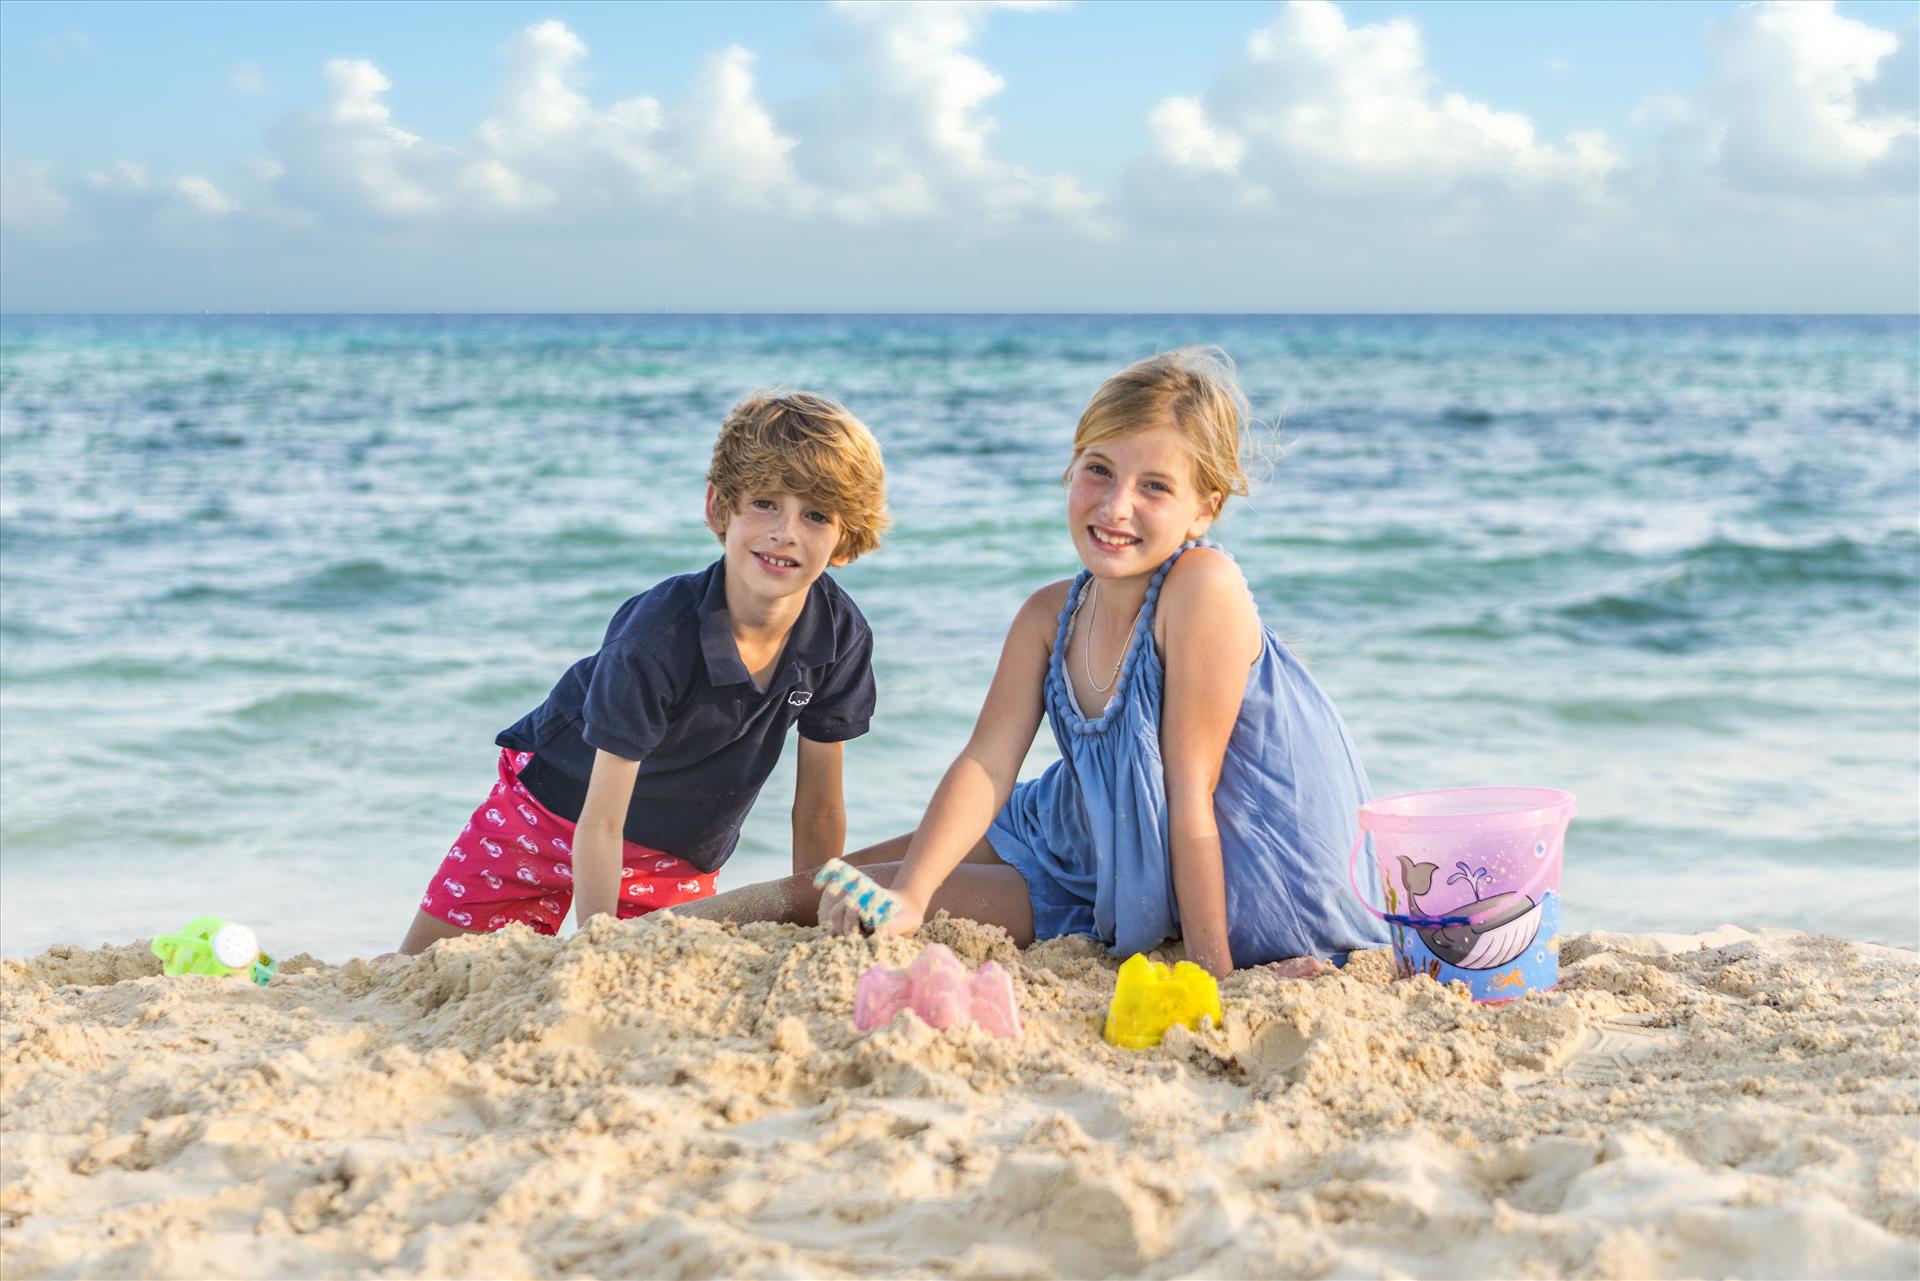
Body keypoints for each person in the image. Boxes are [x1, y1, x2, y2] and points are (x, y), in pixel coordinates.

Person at [679, 349, 1386, 976]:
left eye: (1155, 487)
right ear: (1070, 470)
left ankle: (658, 929)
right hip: (1083, 832)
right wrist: (914, 895)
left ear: (1205, 509)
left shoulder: (1202, 587)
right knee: (837, 881)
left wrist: (1211, 975)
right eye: (1099, 470)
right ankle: (649, 932)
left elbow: (1189, 792)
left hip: (1237, 869)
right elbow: (987, 763)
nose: (1116, 506)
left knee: (823, 897)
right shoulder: (1049, 616)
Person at [394, 391, 888, 955]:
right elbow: (601, 821)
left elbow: (819, 806)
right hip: (549, 810)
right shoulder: (656, 639)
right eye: (765, 503)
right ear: (718, 509)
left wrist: (815, 920)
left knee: (662, 966)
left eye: (816, 515)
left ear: (846, 538)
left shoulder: (839, 637)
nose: (786, 532)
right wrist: (597, 951)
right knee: (424, 966)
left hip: (674, 854)